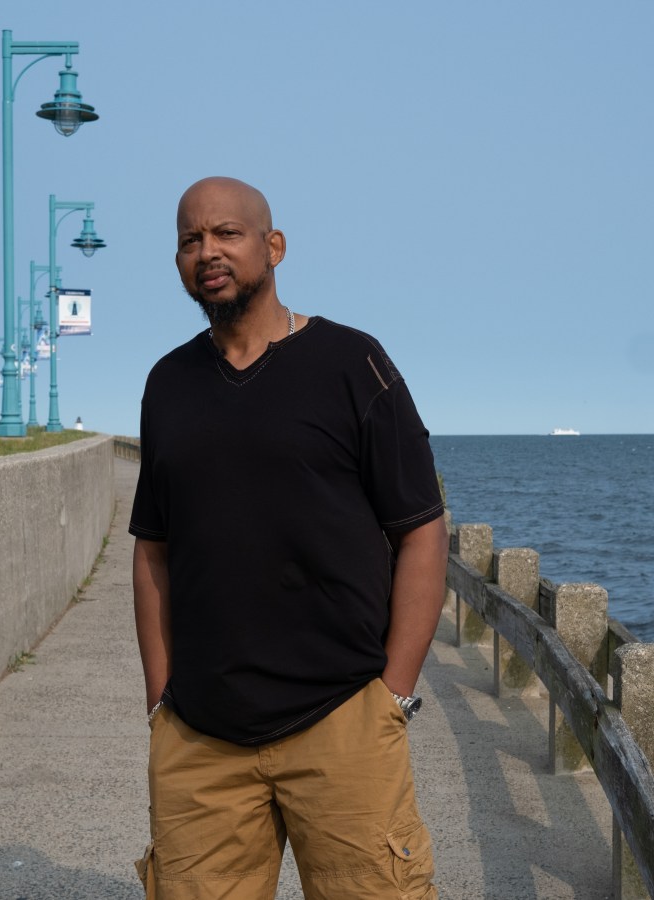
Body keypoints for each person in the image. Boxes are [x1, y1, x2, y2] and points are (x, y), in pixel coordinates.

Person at [129, 176, 448, 900]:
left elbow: (423, 531)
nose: (207, 252)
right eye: (190, 239)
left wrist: (391, 698)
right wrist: (160, 703)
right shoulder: (168, 384)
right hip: (202, 736)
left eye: (226, 233)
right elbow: (153, 549)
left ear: (272, 246)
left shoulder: (352, 364)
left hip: (342, 721)